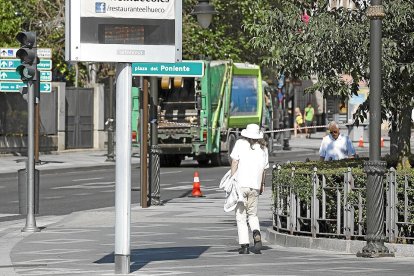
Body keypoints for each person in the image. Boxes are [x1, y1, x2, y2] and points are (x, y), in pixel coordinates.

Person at [230, 124, 269, 254]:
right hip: (255, 186)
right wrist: (262, 184)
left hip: (241, 185)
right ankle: (256, 232)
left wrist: (232, 178)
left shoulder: (240, 143)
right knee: (252, 214)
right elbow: (264, 170)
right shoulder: (264, 148)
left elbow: (235, 162)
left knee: (241, 216)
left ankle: (245, 245)